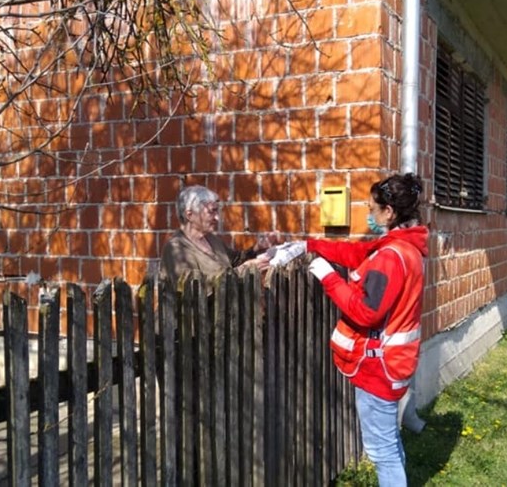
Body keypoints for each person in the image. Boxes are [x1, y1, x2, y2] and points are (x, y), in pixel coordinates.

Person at [302, 173, 428, 486]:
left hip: (378, 368)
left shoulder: (390, 256)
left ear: (390, 212)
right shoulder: (404, 247)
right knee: (389, 441)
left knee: (381, 451)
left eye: (372, 209)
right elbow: (357, 253)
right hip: (396, 363)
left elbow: (365, 312)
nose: (369, 215)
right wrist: (310, 244)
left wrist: (327, 277)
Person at [159, 185, 276, 285]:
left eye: (216, 211)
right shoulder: (176, 249)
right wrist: (243, 271)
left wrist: (256, 249)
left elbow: (233, 261)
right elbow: (194, 288)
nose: (217, 218)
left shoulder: (211, 239)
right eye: (211, 212)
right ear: (189, 215)